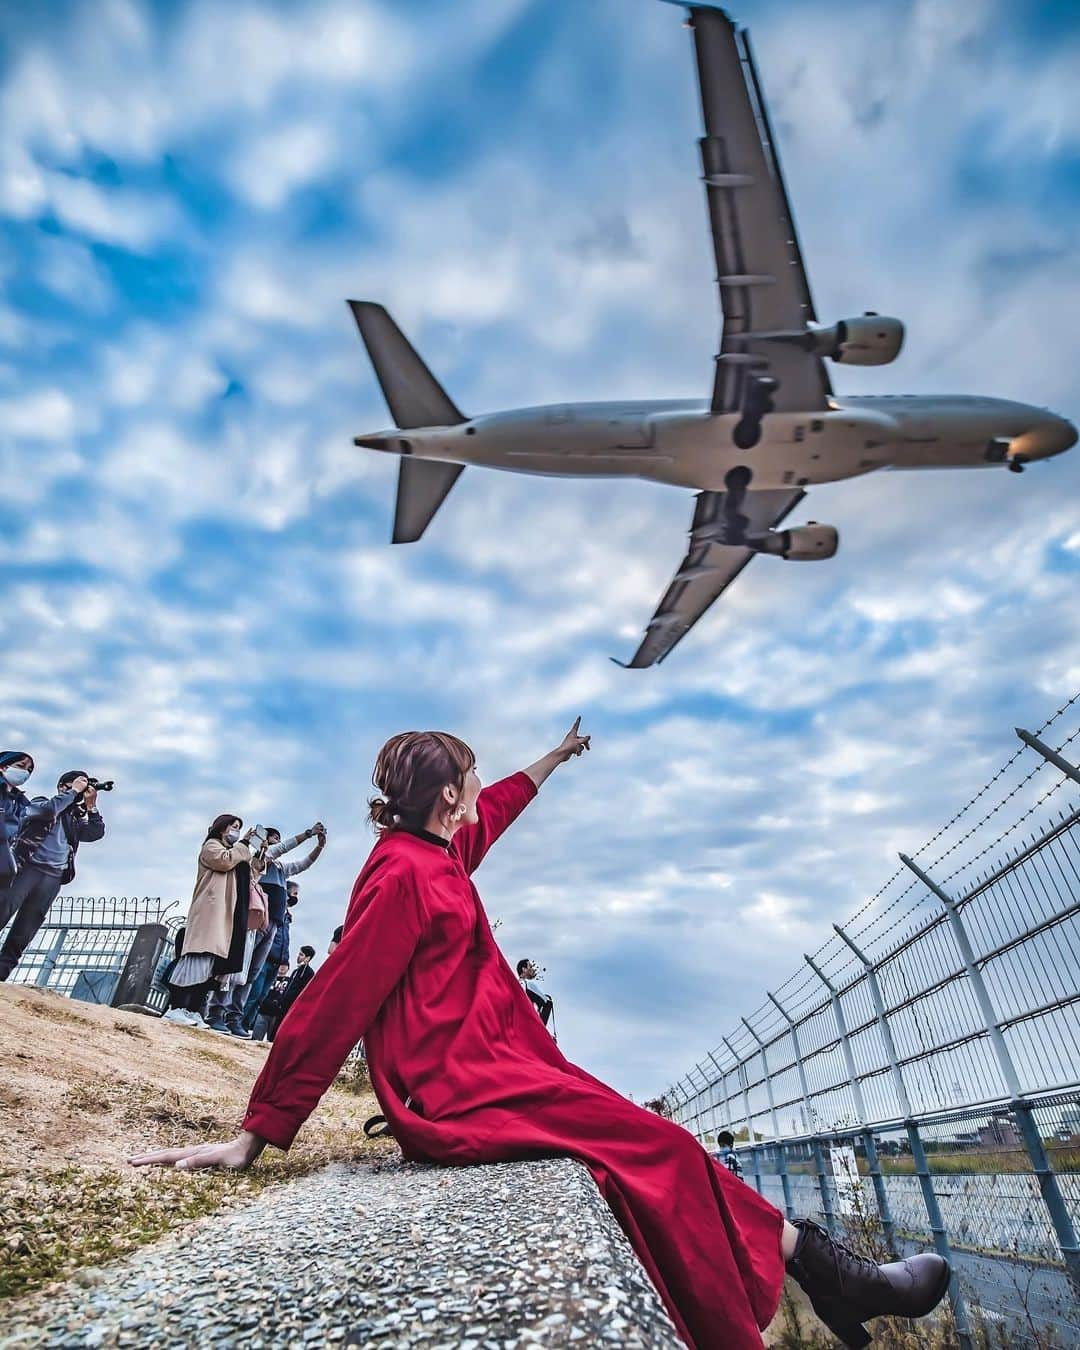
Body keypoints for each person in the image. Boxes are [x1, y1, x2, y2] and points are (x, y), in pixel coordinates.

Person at [131, 720, 949, 1350]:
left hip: (502, 1066)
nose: (482, 788)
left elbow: (499, 812)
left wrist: (553, 761)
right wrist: (258, 1133)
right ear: (449, 794)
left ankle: (825, 1272)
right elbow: (335, 998)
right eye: (472, 776)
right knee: (658, 1149)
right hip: (458, 1088)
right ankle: (832, 1275)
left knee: (656, 1146)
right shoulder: (405, 875)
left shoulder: (437, 852)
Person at [209, 823, 325, 1036]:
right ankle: (217, 1012)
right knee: (237, 965)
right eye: (273, 837)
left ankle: (235, 1017)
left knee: (252, 972)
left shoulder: (281, 869)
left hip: (273, 923)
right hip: (255, 918)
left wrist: (319, 847)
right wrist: (308, 834)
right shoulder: (261, 859)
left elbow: (304, 864)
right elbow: (280, 849)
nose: (277, 841)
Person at [0, 770, 106, 981]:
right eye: (75, 786)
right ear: (62, 787)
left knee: (23, 933)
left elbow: (95, 832)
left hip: (52, 878)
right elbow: (47, 811)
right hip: (27, 869)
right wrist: (72, 792)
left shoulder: (74, 819)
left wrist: (91, 806)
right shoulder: (42, 803)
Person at [167, 815, 253, 1028]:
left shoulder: (235, 852)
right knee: (196, 958)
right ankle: (175, 1007)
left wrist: (254, 851)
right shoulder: (211, 846)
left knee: (211, 966)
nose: (237, 831)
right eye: (234, 827)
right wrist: (243, 845)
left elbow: (248, 870)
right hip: (209, 912)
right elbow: (223, 862)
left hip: (224, 915)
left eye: (239, 828)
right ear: (222, 828)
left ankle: (193, 1009)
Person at [265, 945, 316, 1042]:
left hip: (292, 1007)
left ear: (308, 958)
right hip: (282, 1006)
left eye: (301, 955)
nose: (298, 957)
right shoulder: (296, 971)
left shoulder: (309, 973)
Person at [0, 751, 34, 889]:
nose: (25, 772)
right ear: (3, 767)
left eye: (29, 770)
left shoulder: (20, 801)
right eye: (21, 766)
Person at [516, 958, 554, 1028]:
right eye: (530, 967)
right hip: (527, 1027)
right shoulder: (528, 984)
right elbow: (547, 1002)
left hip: (515, 1026)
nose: (533, 969)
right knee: (548, 1002)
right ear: (524, 969)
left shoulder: (514, 984)